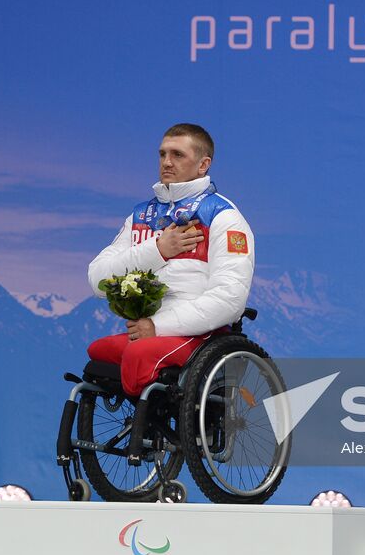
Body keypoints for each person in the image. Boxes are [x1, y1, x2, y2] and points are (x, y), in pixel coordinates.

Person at [86, 123, 254, 397]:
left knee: (139, 354)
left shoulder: (224, 216)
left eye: (177, 155)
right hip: (149, 331)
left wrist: (158, 326)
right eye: (162, 154)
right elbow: (97, 280)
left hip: (201, 334)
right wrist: (158, 250)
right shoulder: (141, 216)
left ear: (203, 165)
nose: (166, 162)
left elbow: (230, 299)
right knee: (99, 350)